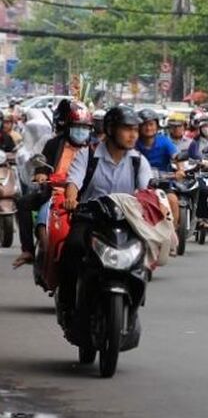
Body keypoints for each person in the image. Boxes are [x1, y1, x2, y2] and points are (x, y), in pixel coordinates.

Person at [60, 106, 153, 318]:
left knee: (144, 252)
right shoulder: (88, 154)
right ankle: (67, 303)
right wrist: (71, 198)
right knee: (72, 248)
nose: (133, 135)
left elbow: (147, 189)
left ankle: (135, 300)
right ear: (111, 129)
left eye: (135, 130)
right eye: (127, 129)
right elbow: (74, 180)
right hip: (91, 218)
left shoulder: (138, 161)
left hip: (127, 220)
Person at [13, 104, 91, 268]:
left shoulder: (93, 150)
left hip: (84, 197)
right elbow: (43, 163)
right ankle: (28, 250)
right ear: (69, 127)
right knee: (23, 203)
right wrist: (41, 173)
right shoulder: (54, 144)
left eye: (84, 127)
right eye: (77, 127)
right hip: (53, 193)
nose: (81, 131)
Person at [136, 108, 183, 241]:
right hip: (140, 185)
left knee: (173, 200)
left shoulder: (164, 141)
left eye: (151, 124)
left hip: (163, 182)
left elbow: (176, 156)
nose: (148, 128)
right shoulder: (134, 142)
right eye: (144, 125)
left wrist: (180, 170)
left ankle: (172, 236)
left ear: (157, 126)